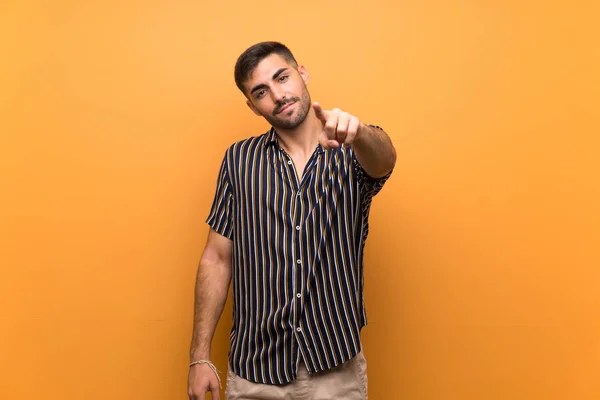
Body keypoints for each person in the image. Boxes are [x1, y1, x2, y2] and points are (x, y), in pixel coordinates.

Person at [187, 41, 396, 400]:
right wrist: (199, 357)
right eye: (261, 92)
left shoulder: (352, 149)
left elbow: (385, 161)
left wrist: (359, 132)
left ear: (302, 73)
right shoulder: (240, 160)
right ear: (253, 107)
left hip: (336, 370)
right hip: (256, 373)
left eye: (282, 77)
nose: (279, 95)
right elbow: (217, 258)